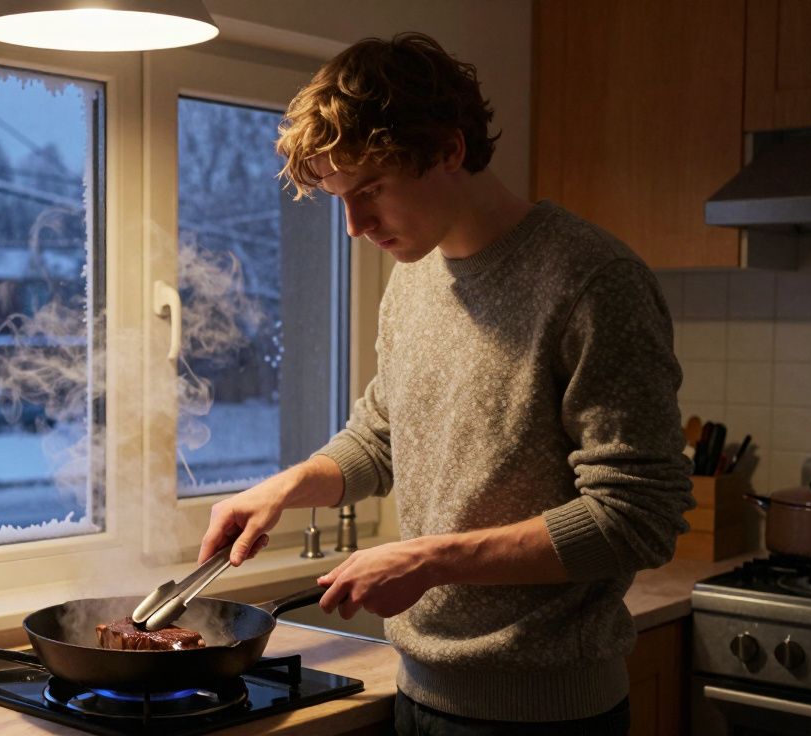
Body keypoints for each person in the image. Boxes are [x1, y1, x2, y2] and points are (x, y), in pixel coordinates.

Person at [197, 33, 693, 735]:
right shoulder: (412, 281)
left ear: (449, 150)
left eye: (369, 190)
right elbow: (383, 434)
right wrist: (284, 489)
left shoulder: (591, 282)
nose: (355, 226)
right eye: (341, 198)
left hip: (548, 714)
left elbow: (637, 516)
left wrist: (429, 560)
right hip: (420, 695)